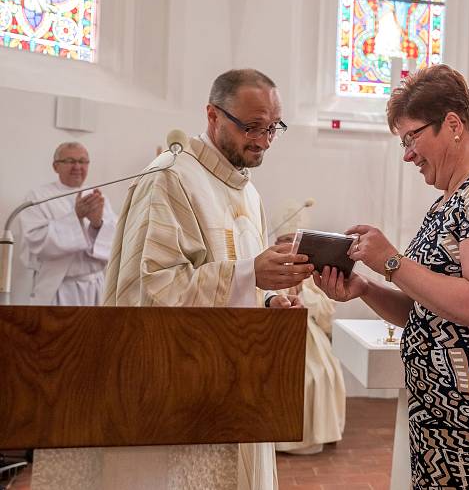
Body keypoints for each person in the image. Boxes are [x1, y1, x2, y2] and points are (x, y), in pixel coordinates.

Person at [31, 69, 315, 490]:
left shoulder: (248, 191)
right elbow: (151, 289)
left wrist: (268, 302)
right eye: (251, 127)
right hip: (176, 384)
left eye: (273, 127)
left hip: (235, 383)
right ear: (213, 115)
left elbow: (239, 281)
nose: (263, 140)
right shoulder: (170, 178)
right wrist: (249, 273)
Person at [315, 64, 469, 489]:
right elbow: (429, 311)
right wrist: (364, 287)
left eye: (411, 137)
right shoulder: (449, 202)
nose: (407, 154)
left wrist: (392, 261)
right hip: (444, 417)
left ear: (453, 125)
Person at [271, 203, 346, 455]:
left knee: (319, 374)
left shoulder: (311, 271)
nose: (289, 247)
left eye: (294, 242)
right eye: (285, 241)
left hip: (308, 333)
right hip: (274, 333)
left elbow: (325, 311)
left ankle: (316, 435)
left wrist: (301, 289)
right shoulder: (268, 268)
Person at [18, 142, 117, 306]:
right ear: (55, 166)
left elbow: (114, 242)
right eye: (70, 161)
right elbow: (36, 240)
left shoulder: (97, 197)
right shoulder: (38, 197)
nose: (77, 166)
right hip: (58, 287)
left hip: (95, 286)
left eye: (83, 161)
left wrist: (97, 224)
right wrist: (75, 216)